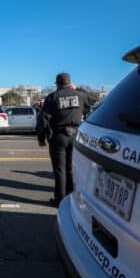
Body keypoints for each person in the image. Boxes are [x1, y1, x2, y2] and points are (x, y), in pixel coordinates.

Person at [37, 73, 96, 205]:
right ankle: (70, 197)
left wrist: (41, 137)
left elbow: (43, 119)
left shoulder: (53, 97)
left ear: (58, 84)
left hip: (59, 136)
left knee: (60, 169)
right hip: (75, 134)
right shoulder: (80, 95)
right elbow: (93, 99)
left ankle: (60, 199)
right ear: (70, 83)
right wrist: (78, 89)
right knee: (70, 168)